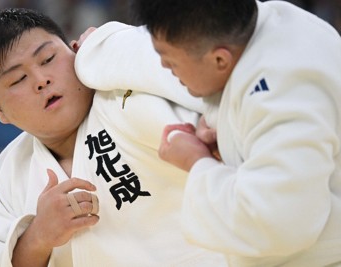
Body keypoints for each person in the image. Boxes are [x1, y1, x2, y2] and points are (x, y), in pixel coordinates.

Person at [71, 0, 341, 266]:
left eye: (171, 62)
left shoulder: (283, 104)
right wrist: (222, 122)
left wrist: (196, 162)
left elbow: (279, 224)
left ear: (219, 59)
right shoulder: (271, 20)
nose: (165, 68)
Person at [0, 7, 227, 267]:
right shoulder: (11, 170)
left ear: (74, 50)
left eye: (48, 59)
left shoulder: (125, 95)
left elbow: (195, 75)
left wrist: (106, 45)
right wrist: (37, 238)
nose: (41, 80)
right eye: (19, 79)